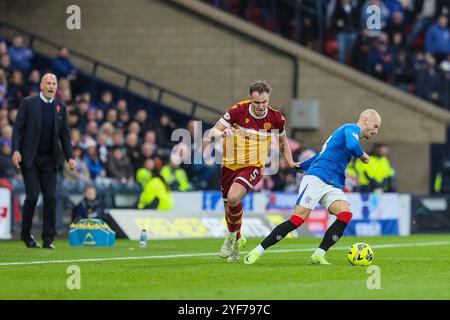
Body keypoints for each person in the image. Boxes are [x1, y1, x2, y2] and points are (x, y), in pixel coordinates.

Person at [244, 109, 381, 265]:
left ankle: (318, 254)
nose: (376, 131)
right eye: (375, 126)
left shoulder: (344, 134)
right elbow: (352, 145)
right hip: (317, 177)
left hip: (333, 183)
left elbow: (322, 154)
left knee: (345, 215)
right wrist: (363, 155)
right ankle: (257, 251)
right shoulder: (351, 129)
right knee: (298, 219)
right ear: (365, 120)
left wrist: (301, 166)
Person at [208, 80, 299, 262]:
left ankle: (231, 237)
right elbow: (212, 132)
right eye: (257, 102)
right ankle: (238, 241)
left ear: (268, 98)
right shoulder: (237, 111)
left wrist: (290, 161)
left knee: (234, 198)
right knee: (229, 207)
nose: (260, 106)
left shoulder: (276, 118)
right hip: (229, 165)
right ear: (250, 98)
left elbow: (282, 142)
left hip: (253, 166)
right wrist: (221, 134)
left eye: (264, 102)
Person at [12, 73, 76, 249]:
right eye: (48, 83)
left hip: (50, 160)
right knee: (32, 196)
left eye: (54, 83)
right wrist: (16, 150)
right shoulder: (28, 103)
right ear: (41, 85)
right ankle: (26, 235)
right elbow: (18, 129)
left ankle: (48, 239)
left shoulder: (60, 107)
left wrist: (70, 156)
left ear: (57, 87)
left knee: (51, 197)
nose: (51, 86)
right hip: (31, 159)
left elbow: (65, 135)